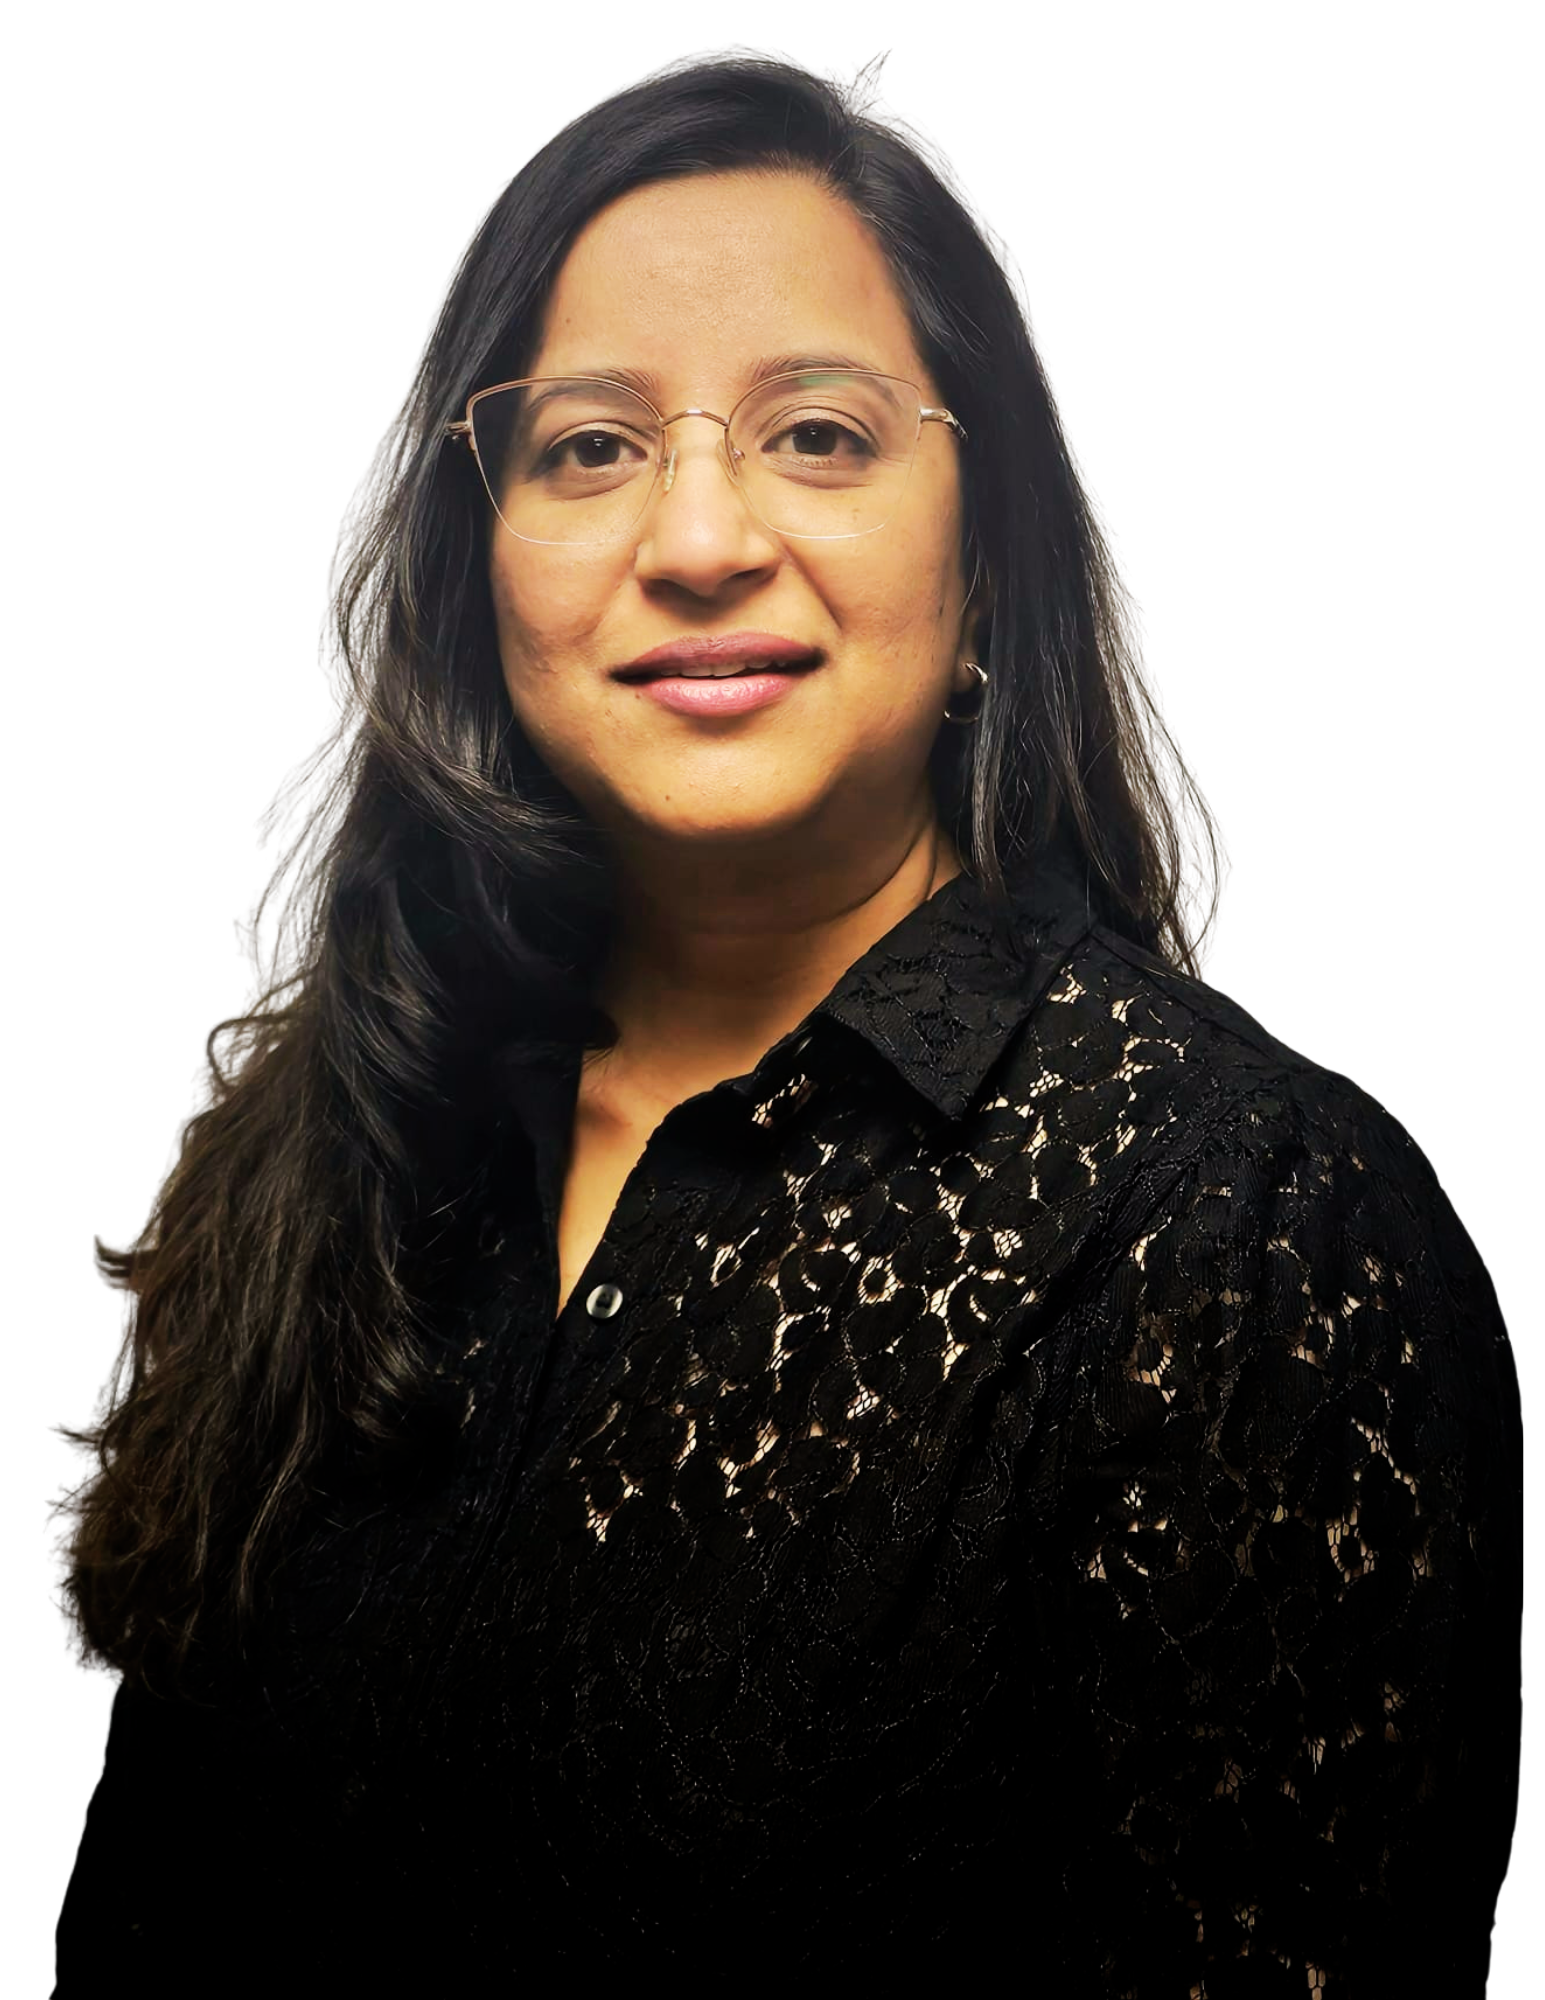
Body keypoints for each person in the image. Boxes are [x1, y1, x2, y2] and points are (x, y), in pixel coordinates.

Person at [53, 53, 1522, 1992]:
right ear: (484, 576)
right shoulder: (344, 1152)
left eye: (816, 435)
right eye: (588, 447)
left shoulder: (1244, 1239)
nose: (699, 537)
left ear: (984, 569)